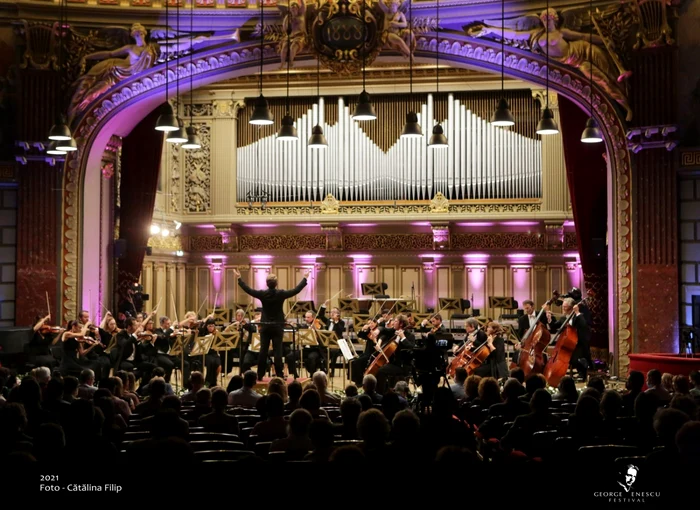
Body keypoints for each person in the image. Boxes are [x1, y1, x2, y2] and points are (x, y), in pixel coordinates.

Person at [233, 268, 309, 380]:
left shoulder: (263, 294)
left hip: (265, 325)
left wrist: (239, 278)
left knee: (263, 351)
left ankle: (260, 375)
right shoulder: (281, 294)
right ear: (276, 283)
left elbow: (248, 290)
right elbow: (296, 290)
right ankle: (279, 374)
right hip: (278, 326)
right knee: (278, 351)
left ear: (267, 284)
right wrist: (305, 278)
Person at [546, 297, 591, 380]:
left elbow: (584, 326)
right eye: (563, 306)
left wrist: (577, 312)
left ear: (571, 307)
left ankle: (582, 371)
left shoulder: (578, 317)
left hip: (579, 344)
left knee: (575, 359)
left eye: (565, 307)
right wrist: (549, 318)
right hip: (568, 345)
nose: (563, 308)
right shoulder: (564, 318)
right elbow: (553, 327)